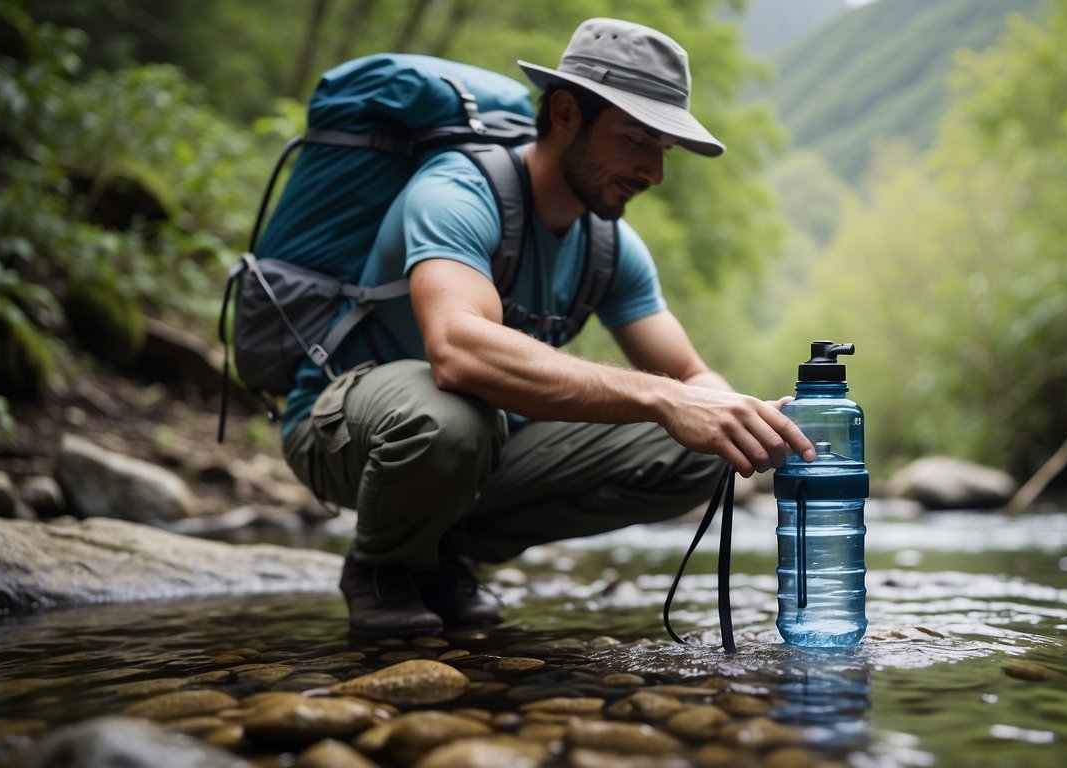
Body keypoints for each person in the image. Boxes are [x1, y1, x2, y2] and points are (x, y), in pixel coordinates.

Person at [280, 17, 815, 636]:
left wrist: (749, 420)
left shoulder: (611, 248)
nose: (653, 173)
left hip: (482, 443)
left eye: (662, 151)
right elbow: (456, 350)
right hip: (346, 431)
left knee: (700, 451)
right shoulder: (458, 189)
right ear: (565, 112)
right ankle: (383, 567)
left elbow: (692, 374)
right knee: (450, 418)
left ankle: (445, 555)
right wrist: (662, 395)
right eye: (636, 139)